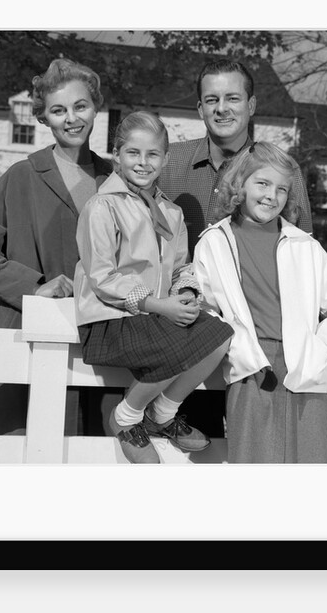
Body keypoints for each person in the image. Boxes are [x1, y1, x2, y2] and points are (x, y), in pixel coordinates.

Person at [158, 58, 314, 438]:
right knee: (189, 448)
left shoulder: (282, 171)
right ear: (200, 108)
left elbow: (303, 257)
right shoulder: (169, 165)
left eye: (232, 98)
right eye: (212, 100)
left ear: (251, 105)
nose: (222, 108)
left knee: (257, 448)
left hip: (259, 340)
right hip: (184, 335)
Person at [0, 57, 114, 436]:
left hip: (102, 340)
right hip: (30, 334)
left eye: (80, 106)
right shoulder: (19, 177)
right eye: (58, 110)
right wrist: (34, 286)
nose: (71, 118)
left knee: (94, 448)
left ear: (96, 107)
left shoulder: (116, 181)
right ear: (43, 118)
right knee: (29, 444)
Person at [73, 111, 234, 464]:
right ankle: (125, 417)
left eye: (152, 154)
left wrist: (186, 292)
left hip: (153, 321)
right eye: (133, 152)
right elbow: (102, 277)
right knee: (176, 343)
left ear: (165, 159)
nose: (143, 162)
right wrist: (158, 306)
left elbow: (180, 266)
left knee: (220, 335)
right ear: (117, 154)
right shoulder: (102, 207)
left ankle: (161, 414)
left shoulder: (171, 213)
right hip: (110, 321)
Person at [193, 142, 327, 463]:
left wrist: (320, 351)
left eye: (282, 189)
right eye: (263, 184)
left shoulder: (304, 245)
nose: (272, 196)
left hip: (304, 367)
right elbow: (206, 310)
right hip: (252, 371)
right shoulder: (214, 242)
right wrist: (239, 352)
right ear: (240, 184)